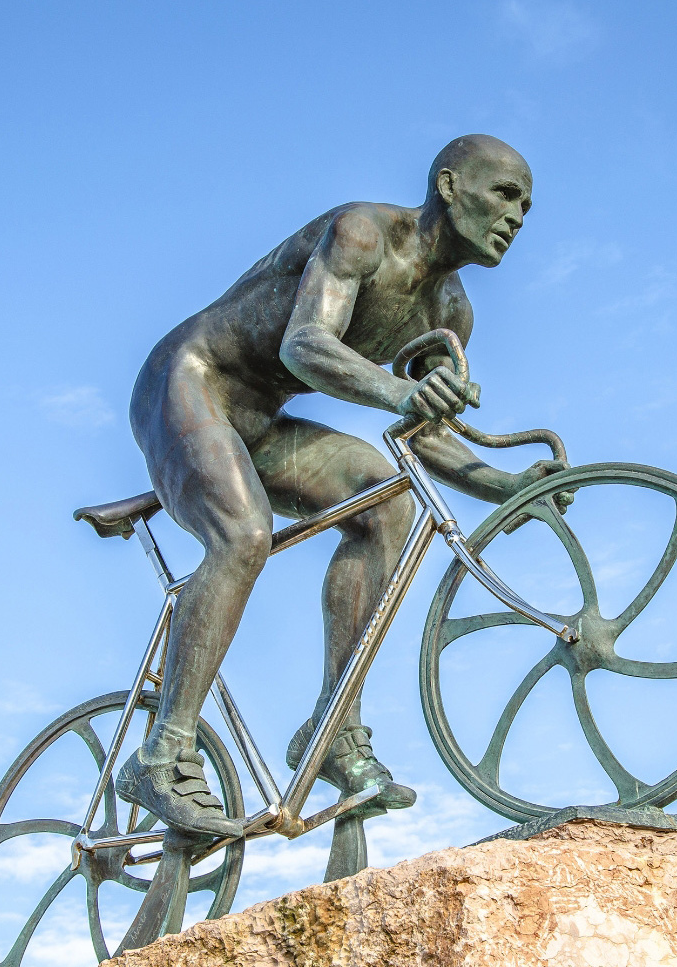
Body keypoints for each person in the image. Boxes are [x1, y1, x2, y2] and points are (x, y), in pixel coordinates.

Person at [116, 134, 568, 838]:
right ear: (449, 186)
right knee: (244, 536)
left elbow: (426, 440)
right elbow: (306, 344)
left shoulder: (450, 313)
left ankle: (331, 730)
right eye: (505, 195)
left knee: (388, 502)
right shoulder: (363, 233)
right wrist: (400, 394)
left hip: (262, 420)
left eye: (527, 207)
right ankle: (163, 748)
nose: (517, 216)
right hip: (192, 381)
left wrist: (510, 485)